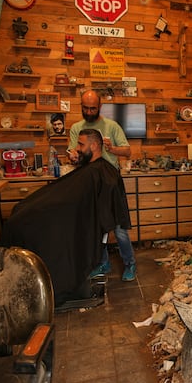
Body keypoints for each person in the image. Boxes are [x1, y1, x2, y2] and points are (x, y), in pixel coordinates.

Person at [1, 129, 131, 308]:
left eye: (81, 145)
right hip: (71, 211)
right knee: (23, 210)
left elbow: (90, 204)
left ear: (93, 146)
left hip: (71, 215)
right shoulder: (92, 169)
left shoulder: (102, 172)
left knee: (24, 220)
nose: (77, 148)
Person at [67, 90, 137, 282]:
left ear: (100, 107)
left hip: (110, 183)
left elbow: (128, 151)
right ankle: (103, 263)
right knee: (98, 228)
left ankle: (130, 263)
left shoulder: (111, 126)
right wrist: (73, 155)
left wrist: (112, 148)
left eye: (93, 108)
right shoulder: (76, 128)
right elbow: (75, 151)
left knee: (119, 229)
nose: (89, 112)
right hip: (89, 182)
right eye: (85, 108)